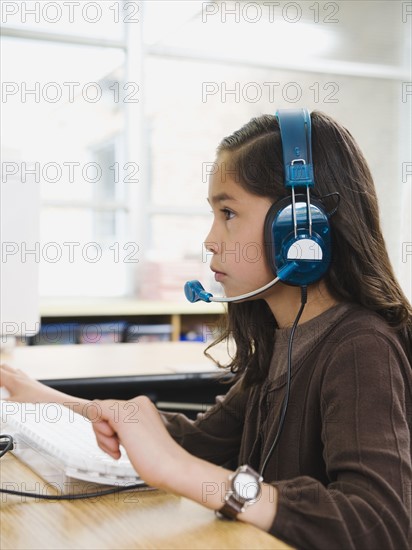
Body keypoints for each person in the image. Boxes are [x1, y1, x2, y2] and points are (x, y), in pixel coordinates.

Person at [1, 110, 411, 549]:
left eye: (228, 212)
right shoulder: (283, 338)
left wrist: (194, 478)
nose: (210, 240)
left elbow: (382, 523)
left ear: (300, 229)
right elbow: (202, 443)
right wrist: (42, 397)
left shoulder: (361, 347)